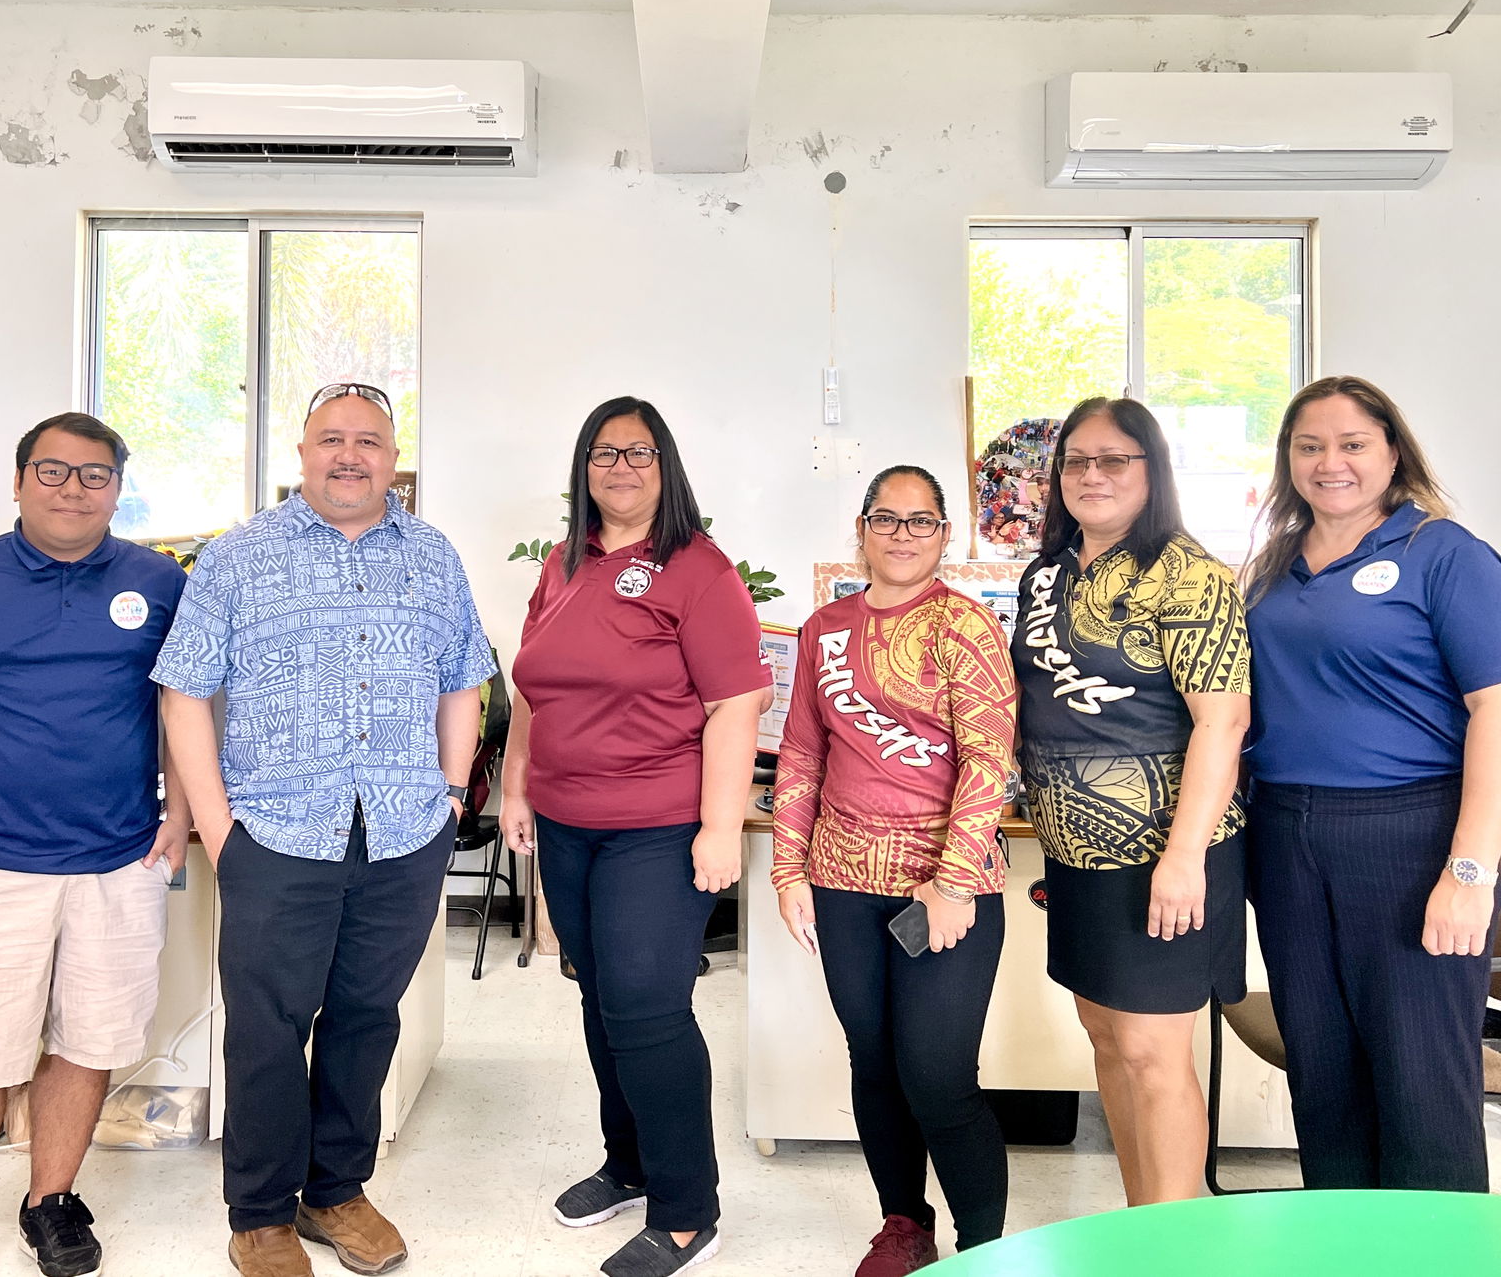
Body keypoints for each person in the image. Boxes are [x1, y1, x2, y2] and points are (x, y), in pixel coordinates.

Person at [152, 382, 493, 1277]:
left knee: (367, 1016)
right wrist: (220, 826)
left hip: (404, 830)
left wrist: (450, 796)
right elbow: (183, 691)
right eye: (332, 438)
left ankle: (335, 1190)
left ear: (393, 458)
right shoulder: (238, 556)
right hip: (273, 833)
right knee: (267, 1026)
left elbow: (464, 678)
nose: (350, 455)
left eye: (368, 441)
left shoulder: (433, 554)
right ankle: (260, 1213)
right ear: (301, 453)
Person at [0, 412, 188, 1277]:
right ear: (20, 479)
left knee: (88, 1042)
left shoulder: (158, 581)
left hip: (119, 863)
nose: (73, 488)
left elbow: (182, 705)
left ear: (117, 488)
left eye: (95, 474)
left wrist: (178, 816)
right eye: (54, 470)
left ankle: (50, 1200)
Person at [501, 397, 771, 1277]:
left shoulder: (699, 570)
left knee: (649, 1010)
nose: (621, 467)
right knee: (600, 998)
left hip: (656, 827)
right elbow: (534, 689)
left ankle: (688, 1211)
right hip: (566, 824)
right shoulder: (563, 563)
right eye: (604, 452)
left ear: (667, 466)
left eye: (640, 452)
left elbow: (736, 705)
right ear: (584, 468)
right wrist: (516, 787)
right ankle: (629, 1165)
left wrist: (720, 828)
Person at [1243, 375, 1501, 1192]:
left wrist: (1470, 872)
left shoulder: (1443, 553)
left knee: (1422, 1083)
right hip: (1285, 836)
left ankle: (1438, 1250)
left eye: (1353, 443)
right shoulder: (1274, 565)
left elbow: (1495, 710)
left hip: (1410, 836)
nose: (1331, 462)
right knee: (1322, 1078)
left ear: (1393, 451)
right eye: (1310, 446)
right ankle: (1342, 1245)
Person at [772, 465, 1016, 1275]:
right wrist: (788, 870)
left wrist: (953, 881)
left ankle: (982, 1251)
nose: (902, 534)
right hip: (842, 880)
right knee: (873, 1062)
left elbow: (988, 759)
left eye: (920, 521)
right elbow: (802, 752)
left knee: (938, 1075)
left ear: (945, 533)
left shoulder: (967, 626)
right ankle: (905, 1224)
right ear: (863, 528)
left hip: (944, 887)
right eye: (886, 518)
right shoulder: (824, 629)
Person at [1012, 396, 1251, 1206]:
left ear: (1153, 469)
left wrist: (1184, 858)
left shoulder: (1190, 574)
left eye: (1115, 458)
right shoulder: (1046, 574)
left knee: (1153, 1054)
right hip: (1074, 856)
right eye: (1077, 460)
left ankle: (1173, 1247)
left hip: (1165, 853)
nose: (1093, 474)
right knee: (1108, 1039)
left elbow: (1223, 720)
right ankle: (1139, 1224)